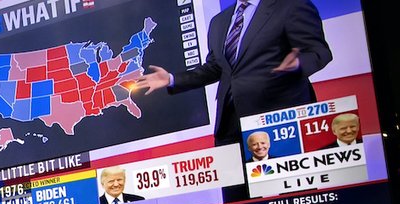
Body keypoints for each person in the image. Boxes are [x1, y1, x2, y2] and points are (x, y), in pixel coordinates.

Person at [133, 0, 332, 147]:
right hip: (230, 125)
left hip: (279, 120)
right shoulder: (219, 22)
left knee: (284, 197)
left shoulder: (289, 6)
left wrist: (297, 63)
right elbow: (216, 67)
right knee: (237, 201)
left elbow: (318, 52)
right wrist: (172, 79)